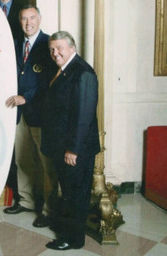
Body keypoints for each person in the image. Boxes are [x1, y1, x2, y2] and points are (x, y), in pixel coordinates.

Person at [42, 31, 100, 251]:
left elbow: (84, 116)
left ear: (72, 48)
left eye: (59, 48)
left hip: (76, 149)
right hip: (63, 145)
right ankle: (69, 231)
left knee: (76, 194)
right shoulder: (64, 70)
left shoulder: (83, 73)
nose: (55, 53)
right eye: (52, 49)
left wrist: (73, 150)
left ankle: (73, 239)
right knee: (69, 193)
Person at [4, 6, 58, 229]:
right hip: (16, 114)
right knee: (22, 160)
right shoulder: (14, 44)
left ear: (40, 19)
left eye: (32, 18)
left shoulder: (49, 44)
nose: (28, 23)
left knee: (47, 164)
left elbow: (51, 81)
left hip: (40, 113)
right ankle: (26, 200)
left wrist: (27, 98)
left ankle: (49, 209)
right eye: (24, 19)